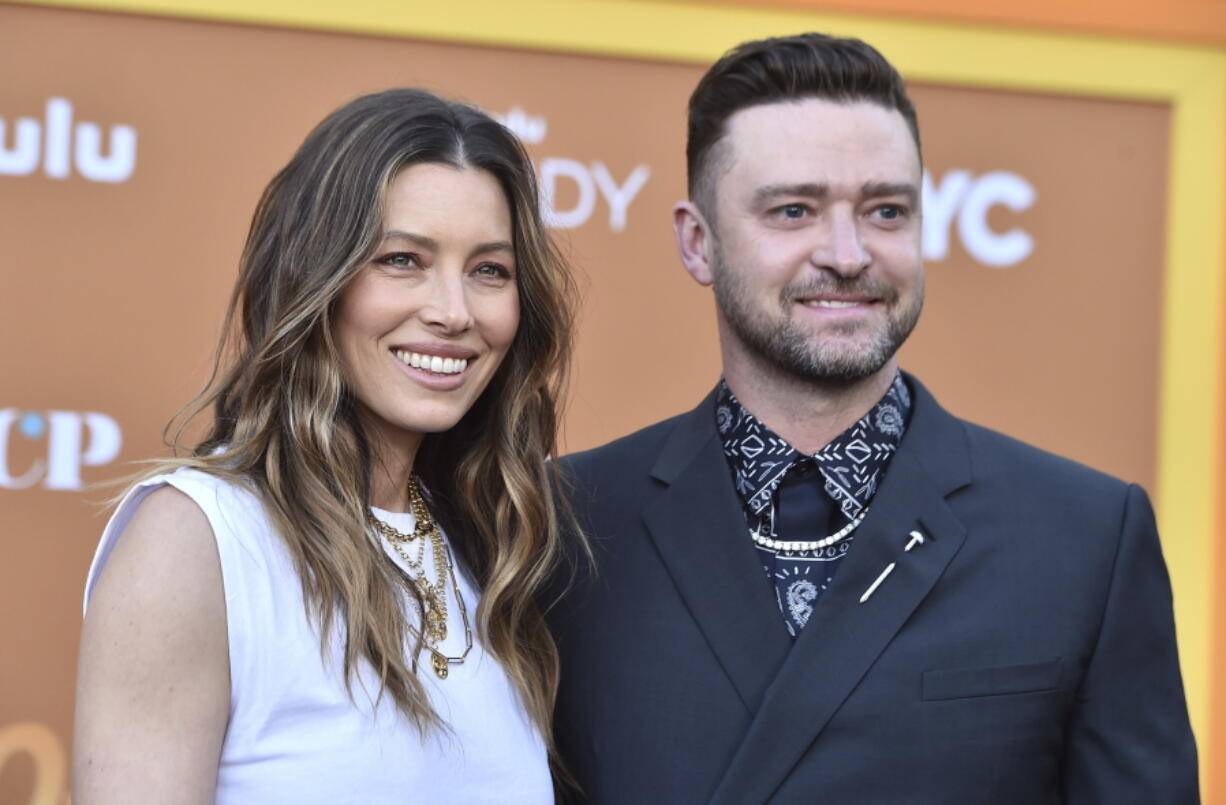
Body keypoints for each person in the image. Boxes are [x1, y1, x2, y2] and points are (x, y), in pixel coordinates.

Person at [548, 33, 1199, 804]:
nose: (849, 253)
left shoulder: (1085, 537)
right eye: (794, 210)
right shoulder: (566, 526)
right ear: (698, 243)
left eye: (885, 210)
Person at [73, 88, 580, 803]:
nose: (453, 311)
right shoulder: (198, 537)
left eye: (489, 270)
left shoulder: (491, 550)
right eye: (402, 259)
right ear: (315, 277)